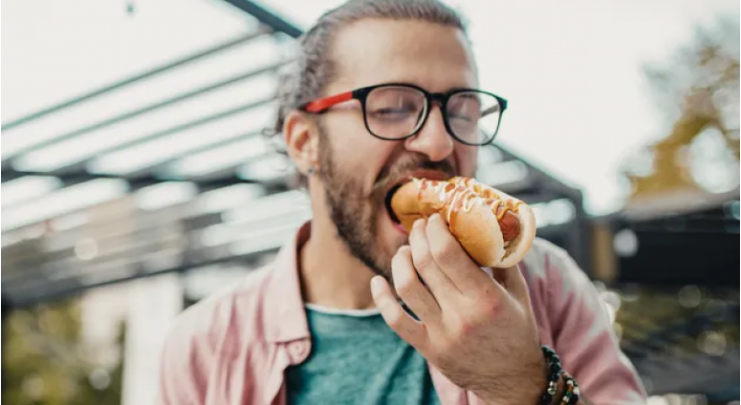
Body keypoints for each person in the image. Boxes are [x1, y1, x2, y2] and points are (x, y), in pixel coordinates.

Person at [157, 0, 647, 404]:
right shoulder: (207, 343)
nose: (437, 143)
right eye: (391, 107)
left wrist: (520, 387)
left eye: (462, 111)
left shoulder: (546, 285)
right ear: (305, 141)